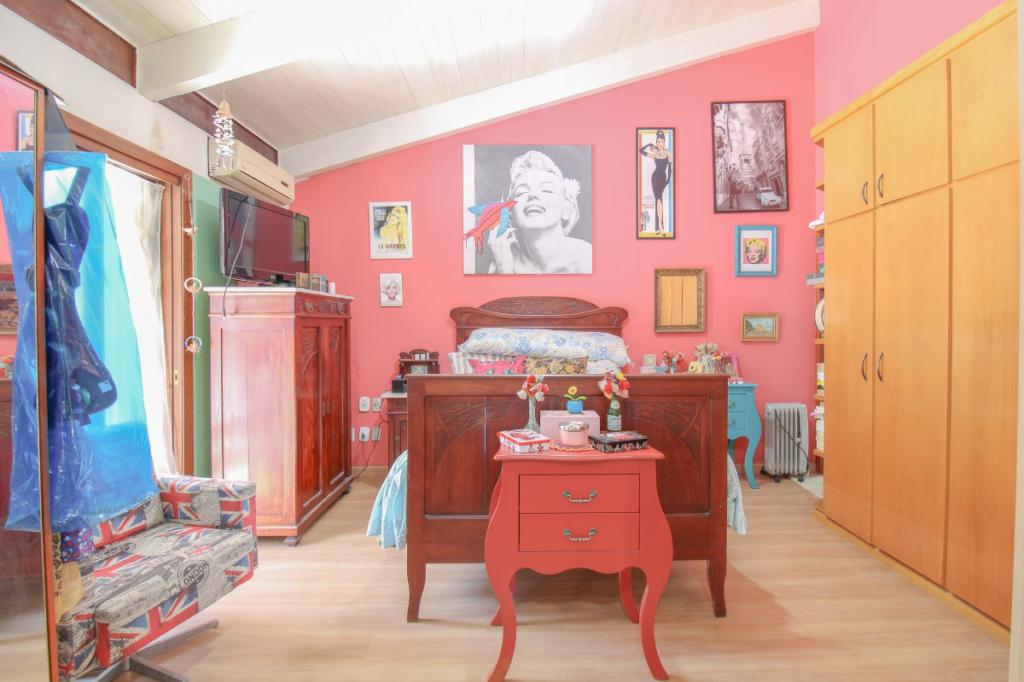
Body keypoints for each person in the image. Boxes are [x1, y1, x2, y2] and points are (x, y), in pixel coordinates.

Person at [486, 150, 591, 274]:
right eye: (521, 192)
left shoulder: (588, 259)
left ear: (567, 209)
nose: (532, 195)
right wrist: (504, 271)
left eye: (547, 190)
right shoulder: (501, 264)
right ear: (511, 213)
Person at [639, 130, 672, 233]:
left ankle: (659, 226)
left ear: (664, 142)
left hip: (663, 177)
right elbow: (640, 150)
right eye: (658, 142)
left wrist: (668, 180)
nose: (660, 143)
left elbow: (670, 168)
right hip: (655, 178)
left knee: (659, 199)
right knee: (658, 199)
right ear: (656, 143)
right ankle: (660, 227)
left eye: (662, 141)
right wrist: (649, 144)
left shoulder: (669, 153)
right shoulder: (655, 154)